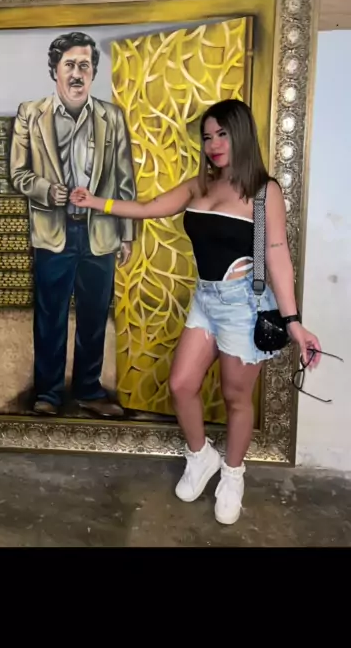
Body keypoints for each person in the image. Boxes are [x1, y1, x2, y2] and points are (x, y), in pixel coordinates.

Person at [70, 99, 321, 525]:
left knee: (235, 397)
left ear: (241, 135)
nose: (213, 144)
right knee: (182, 384)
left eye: (222, 134)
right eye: (207, 137)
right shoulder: (199, 186)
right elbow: (149, 208)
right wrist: (97, 202)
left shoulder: (264, 191)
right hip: (205, 299)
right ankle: (201, 455)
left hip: (243, 304)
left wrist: (294, 323)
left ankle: (233, 474)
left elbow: (277, 254)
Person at [10, 31, 136, 419]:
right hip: (54, 231)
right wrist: (48, 191)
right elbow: (18, 174)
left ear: (93, 71)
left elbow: (124, 178)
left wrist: (127, 234)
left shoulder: (112, 117)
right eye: (69, 65)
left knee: (95, 316)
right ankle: (48, 393)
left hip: (100, 232)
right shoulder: (30, 114)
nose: (77, 73)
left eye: (84, 65)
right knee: (50, 316)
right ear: (55, 71)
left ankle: (88, 390)